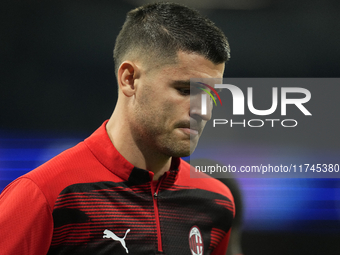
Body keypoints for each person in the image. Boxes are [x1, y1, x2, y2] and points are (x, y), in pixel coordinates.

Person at [0, 2, 234, 254]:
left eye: (211, 96)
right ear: (129, 79)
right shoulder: (44, 196)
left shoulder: (216, 203)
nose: (204, 112)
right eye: (185, 90)